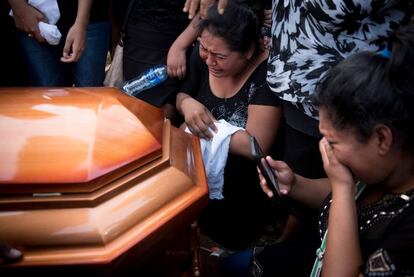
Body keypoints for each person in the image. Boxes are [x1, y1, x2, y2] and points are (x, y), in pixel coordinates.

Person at [229, 22, 414, 276]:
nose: (325, 150)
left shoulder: (407, 229)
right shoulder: (377, 169)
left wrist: (342, 188)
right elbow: (343, 194)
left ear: (382, 138)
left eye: (333, 142)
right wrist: (294, 184)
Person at [176, 1, 282, 250]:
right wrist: (188, 104)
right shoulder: (203, 56)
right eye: (204, 49)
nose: (209, 60)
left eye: (220, 56)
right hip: (196, 185)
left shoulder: (266, 76)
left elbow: (257, 144)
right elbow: (182, 95)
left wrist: (197, 129)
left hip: (243, 197)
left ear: (248, 51)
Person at [8, 0, 110, 86]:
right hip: (35, 13)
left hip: (90, 15)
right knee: (47, 96)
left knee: (89, 93)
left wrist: (81, 24)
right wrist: (19, 7)